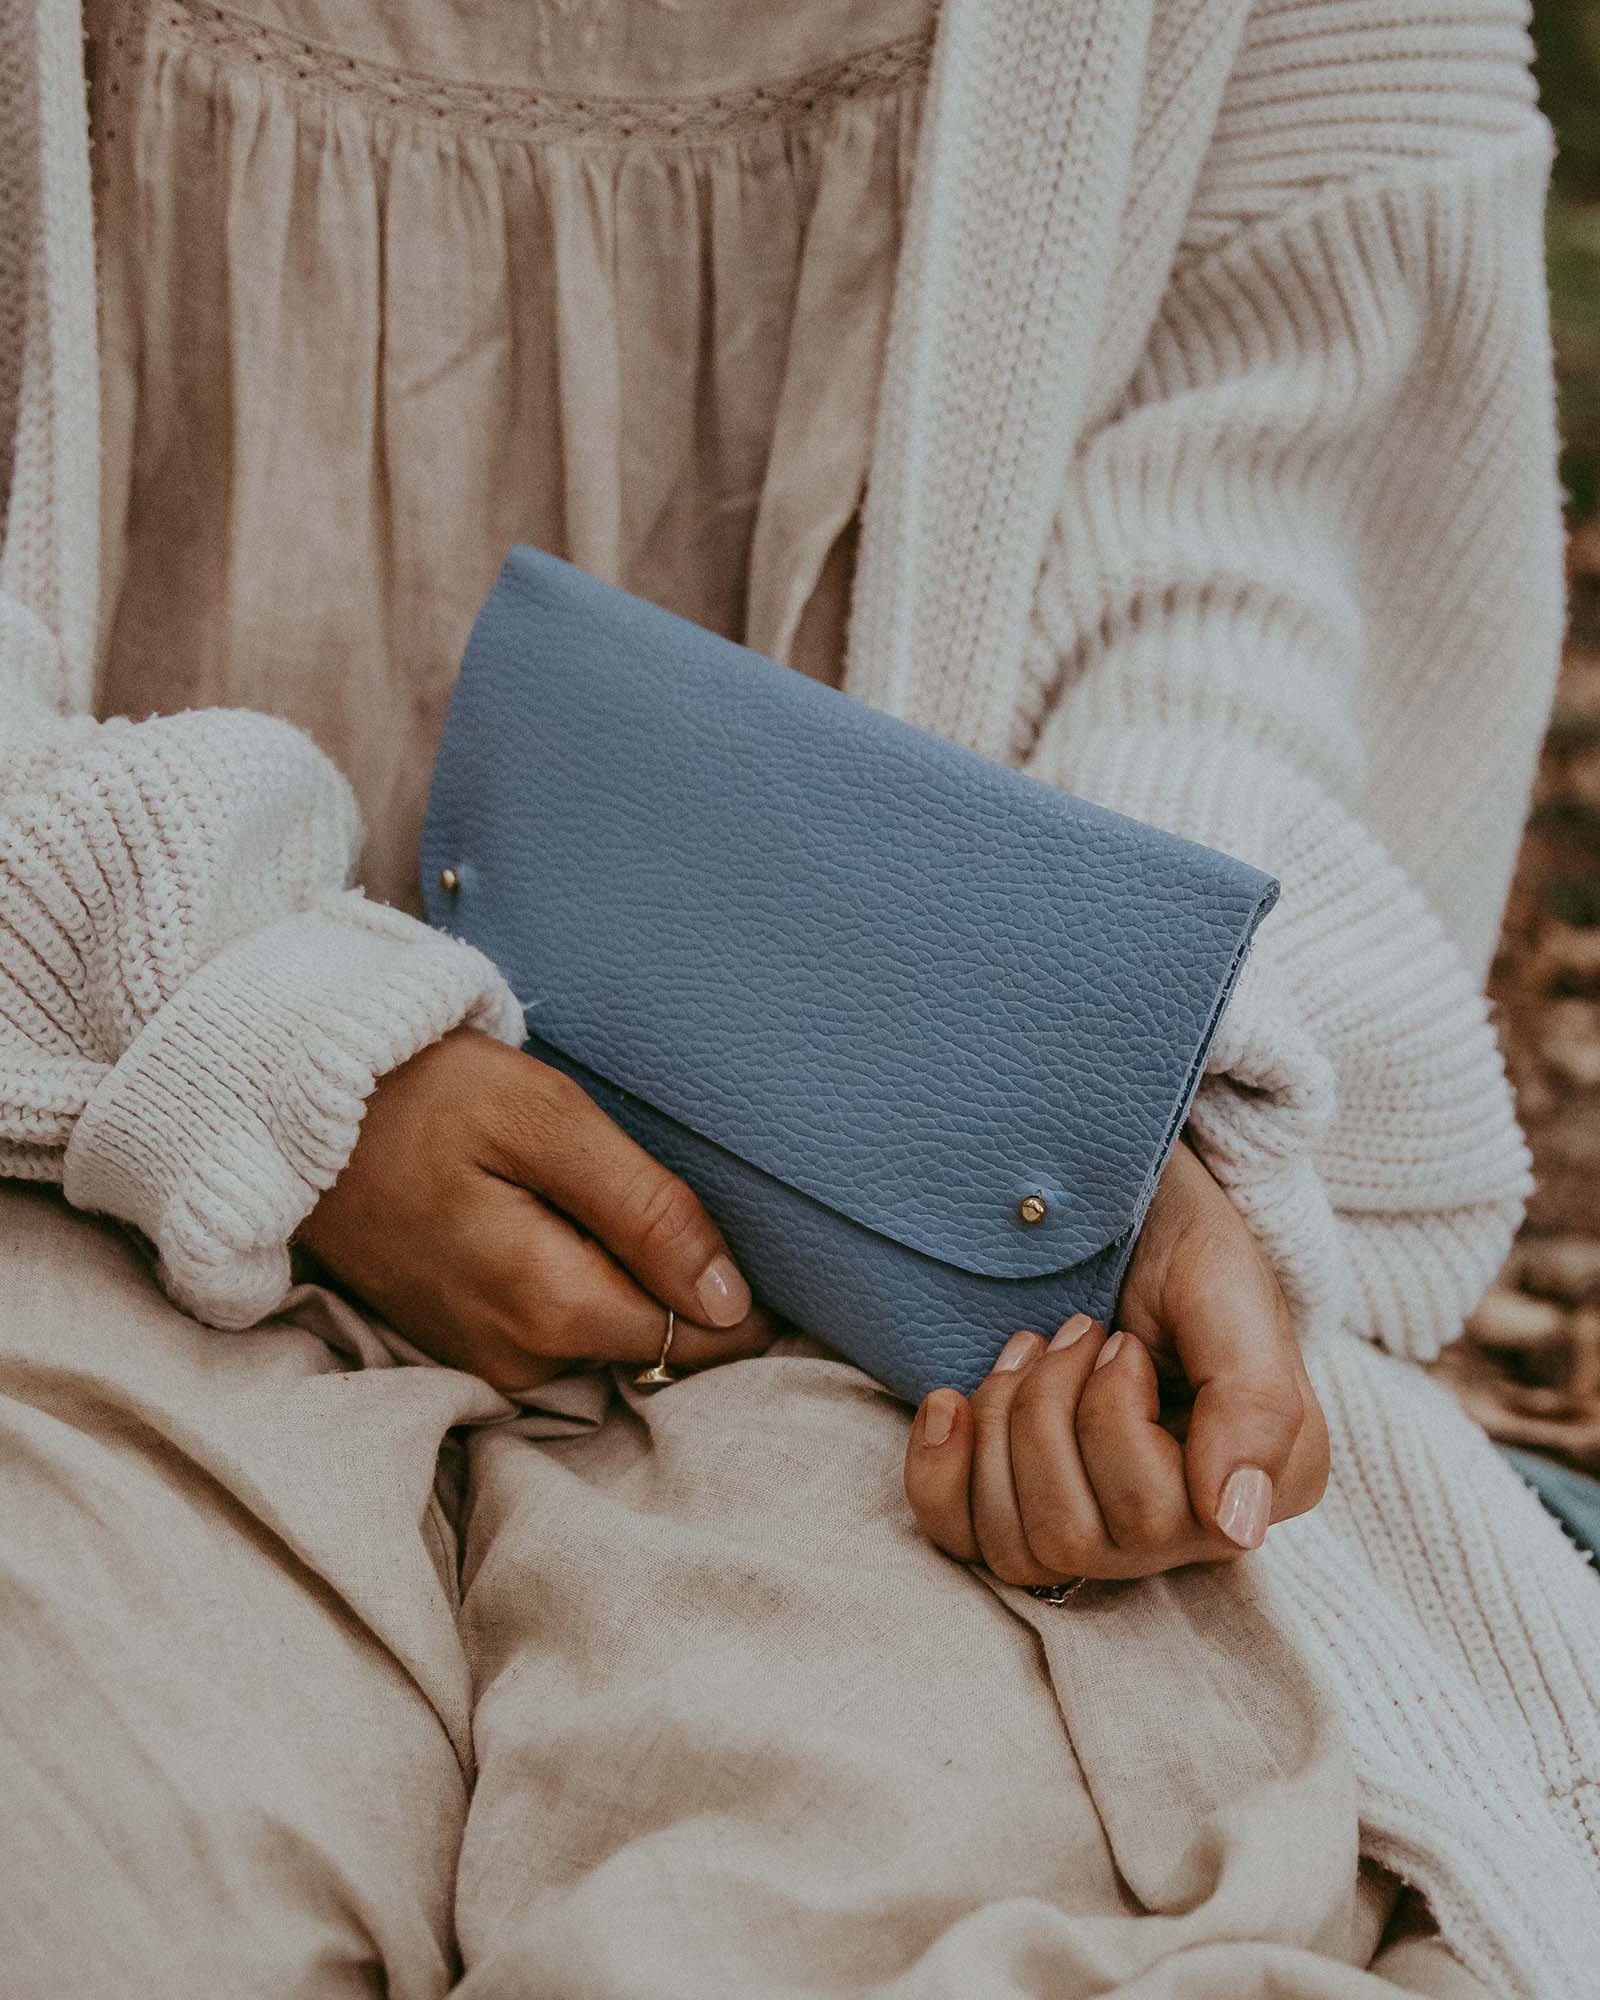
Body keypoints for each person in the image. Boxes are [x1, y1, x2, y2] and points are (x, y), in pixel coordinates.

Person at [2, 0, 1598, 1992]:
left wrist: (1115, 1069)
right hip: (83, 1144)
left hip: (890, 1297)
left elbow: (1265, 499)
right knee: (95, 1893)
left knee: (891, 1919)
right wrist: (213, 1004)